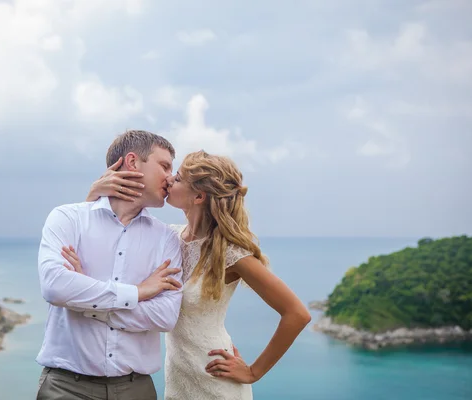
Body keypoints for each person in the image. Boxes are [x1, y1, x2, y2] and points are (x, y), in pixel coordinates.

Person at [64, 149, 312, 399]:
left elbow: (297, 314)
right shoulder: (167, 237)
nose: (170, 179)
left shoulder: (231, 254)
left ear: (198, 197)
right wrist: (94, 195)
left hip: (217, 379)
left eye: (179, 178)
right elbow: (114, 253)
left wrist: (253, 372)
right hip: (178, 380)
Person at [35, 130, 186, 400]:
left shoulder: (168, 239)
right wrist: (138, 293)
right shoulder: (68, 218)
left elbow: (165, 316)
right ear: (132, 162)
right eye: (164, 166)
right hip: (65, 387)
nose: (171, 177)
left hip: (136, 389)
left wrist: (85, 301)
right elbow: (56, 287)